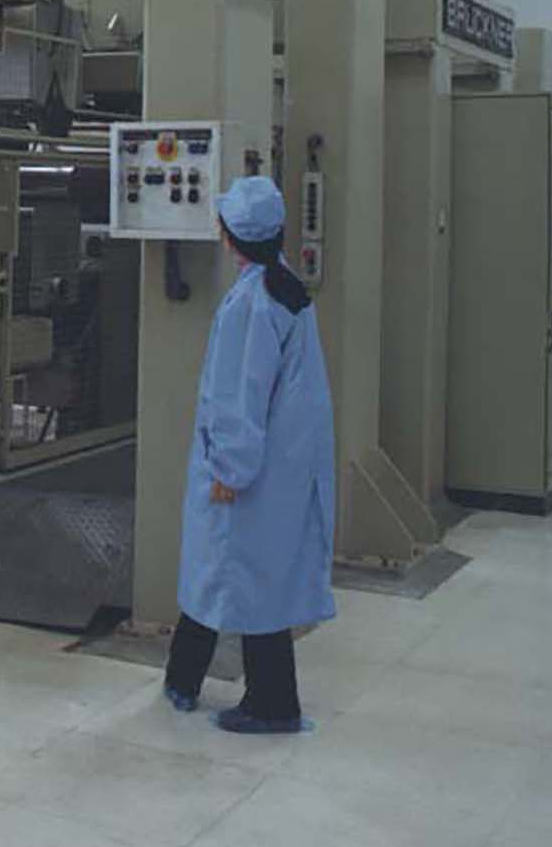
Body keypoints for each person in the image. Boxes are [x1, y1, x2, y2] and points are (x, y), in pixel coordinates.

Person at [161, 176, 336, 734]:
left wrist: (229, 470)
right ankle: (182, 681)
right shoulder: (283, 287)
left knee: (239, 574)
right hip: (282, 464)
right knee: (238, 572)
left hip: (250, 469)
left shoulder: (253, 304)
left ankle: (272, 704)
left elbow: (239, 396)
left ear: (231, 237)